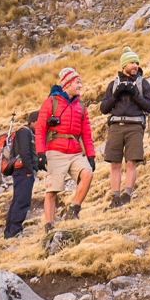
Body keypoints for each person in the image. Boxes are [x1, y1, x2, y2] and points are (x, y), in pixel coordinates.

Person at [34, 67, 95, 237]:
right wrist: (40, 153)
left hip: (75, 151)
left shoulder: (81, 106)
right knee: (52, 190)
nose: (80, 86)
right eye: (77, 82)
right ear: (67, 84)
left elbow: (86, 133)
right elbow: (40, 129)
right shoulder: (50, 102)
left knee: (87, 174)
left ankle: (74, 208)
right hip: (54, 151)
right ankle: (49, 225)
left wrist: (90, 155)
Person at [100, 47, 150, 207]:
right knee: (115, 163)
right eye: (131, 63)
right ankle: (115, 197)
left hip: (135, 126)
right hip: (116, 126)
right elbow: (103, 108)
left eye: (136, 63)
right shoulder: (113, 84)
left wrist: (135, 95)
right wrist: (115, 95)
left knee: (131, 162)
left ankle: (127, 195)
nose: (135, 66)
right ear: (124, 65)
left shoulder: (143, 84)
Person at [3, 111, 38, 239]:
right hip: (23, 171)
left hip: (20, 171)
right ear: (34, 121)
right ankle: (15, 231)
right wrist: (29, 171)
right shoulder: (25, 132)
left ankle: (9, 231)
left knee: (17, 200)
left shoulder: (26, 132)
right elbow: (24, 152)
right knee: (22, 201)